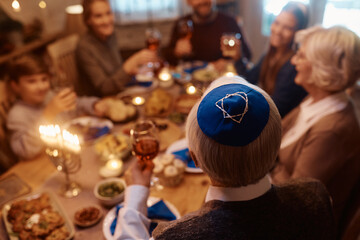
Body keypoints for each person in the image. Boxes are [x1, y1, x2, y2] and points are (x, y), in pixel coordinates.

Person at [114, 76, 335, 240]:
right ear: (276, 146)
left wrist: (135, 196)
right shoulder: (315, 196)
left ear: (195, 159)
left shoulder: (177, 236)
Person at [271, 26, 360, 233]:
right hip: (274, 195)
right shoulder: (316, 100)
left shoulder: (332, 130)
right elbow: (274, 134)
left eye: (301, 56)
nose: (293, 62)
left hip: (302, 227)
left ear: (322, 68)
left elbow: (293, 198)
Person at [6, 54, 109, 160]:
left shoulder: (50, 95)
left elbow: (77, 104)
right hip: (49, 161)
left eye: (44, 79)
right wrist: (48, 115)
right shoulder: (17, 115)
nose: (41, 86)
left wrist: (93, 105)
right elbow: (24, 150)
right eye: (31, 81)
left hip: (76, 150)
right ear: (15, 86)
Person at [75, 0, 160, 97]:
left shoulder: (109, 37)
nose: (106, 20)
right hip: (101, 102)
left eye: (108, 13)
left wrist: (132, 70)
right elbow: (105, 88)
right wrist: (130, 64)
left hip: (120, 92)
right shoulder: (84, 48)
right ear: (88, 20)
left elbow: (116, 71)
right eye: (98, 16)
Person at [243, 1, 308, 117]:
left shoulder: (292, 65)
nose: (278, 31)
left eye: (287, 28)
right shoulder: (271, 54)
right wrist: (238, 58)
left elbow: (275, 109)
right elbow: (250, 78)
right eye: (277, 23)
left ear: (297, 34)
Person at [164, 0, 251, 74]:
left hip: (221, 79)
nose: (203, 1)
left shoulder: (229, 21)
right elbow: (167, 57)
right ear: (189, 2)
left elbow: (247, 55)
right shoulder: (182, 24)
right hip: (190, 81)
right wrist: (176, 52)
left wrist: (230, 62)